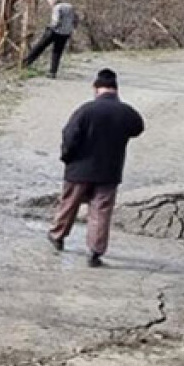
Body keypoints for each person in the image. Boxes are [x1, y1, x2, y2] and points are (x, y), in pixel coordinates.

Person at [48, 68, 144, 267]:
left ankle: (57, 236)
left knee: (68, 205)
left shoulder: (85, 110)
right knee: (101, 211)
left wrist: (67, 157)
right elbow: (138, 128)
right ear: (116, 90)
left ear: (96, 88)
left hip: (79, 169)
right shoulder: (126, 112)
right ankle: (95, 252)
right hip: (109, 170)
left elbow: (69, 135)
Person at [25, 0, 77, 78]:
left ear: (53, 1)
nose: (49, 5)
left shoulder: (57, 8)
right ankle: (53, 72)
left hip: (54, 31)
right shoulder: (70, 7)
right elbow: (76, 19)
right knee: (57, 52)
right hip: (66, 33)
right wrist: (72, 29)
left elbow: (56, 21)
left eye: (49, 2)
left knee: (40, 47)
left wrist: (49, 27)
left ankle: (26, 62)